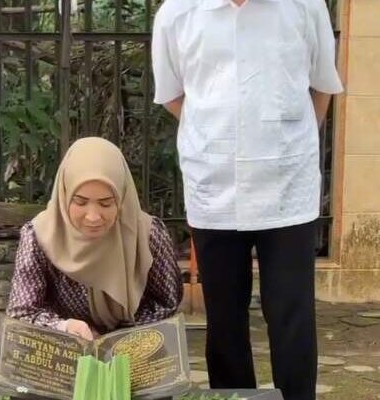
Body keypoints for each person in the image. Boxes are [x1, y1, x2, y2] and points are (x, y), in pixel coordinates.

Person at [151, 1, 343, 400]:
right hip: (214, 184)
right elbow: (173, 96)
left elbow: (323, 85)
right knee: (224, 317)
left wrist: (289, 140)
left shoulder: (304, 6)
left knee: (291, 313)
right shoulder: (177, 13)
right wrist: (216, 134)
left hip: (287, 185)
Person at [7, 137, 183, 340]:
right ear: (64, 194)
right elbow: (21, 313)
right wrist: (63, 327)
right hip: (64, 351)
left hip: (134, 350)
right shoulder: (38, 236)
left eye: (106, 203)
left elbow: (167, 304)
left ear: (122, 198)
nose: (93, 216)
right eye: (80, 202)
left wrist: (121, 338)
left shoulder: (148, 235)